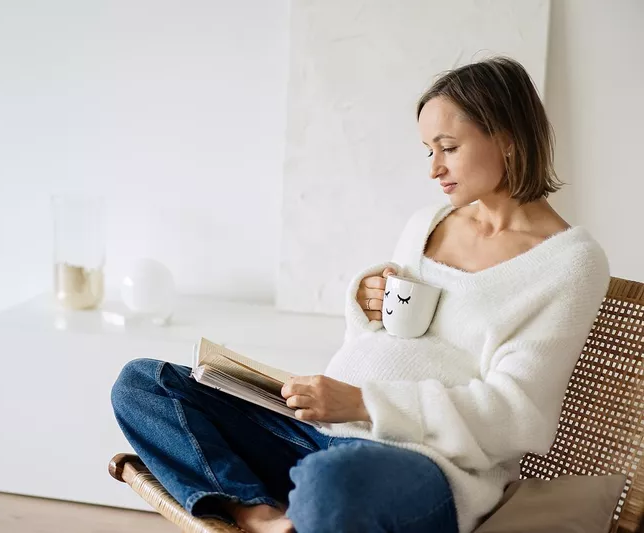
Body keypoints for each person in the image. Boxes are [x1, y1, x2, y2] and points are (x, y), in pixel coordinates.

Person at [111, 56, 610, 533]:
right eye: (427, 151)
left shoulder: (568, 262)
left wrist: (361, 402)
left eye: (448, 147)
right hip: (318, 432)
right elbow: (385, 344)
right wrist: (366, 304)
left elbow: (515, 416)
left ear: (506, 139)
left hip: (418, 465)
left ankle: (305, 504)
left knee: (334, 484)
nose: (433, 168)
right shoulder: (427, 223)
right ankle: (261, 513)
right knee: (142, 385)